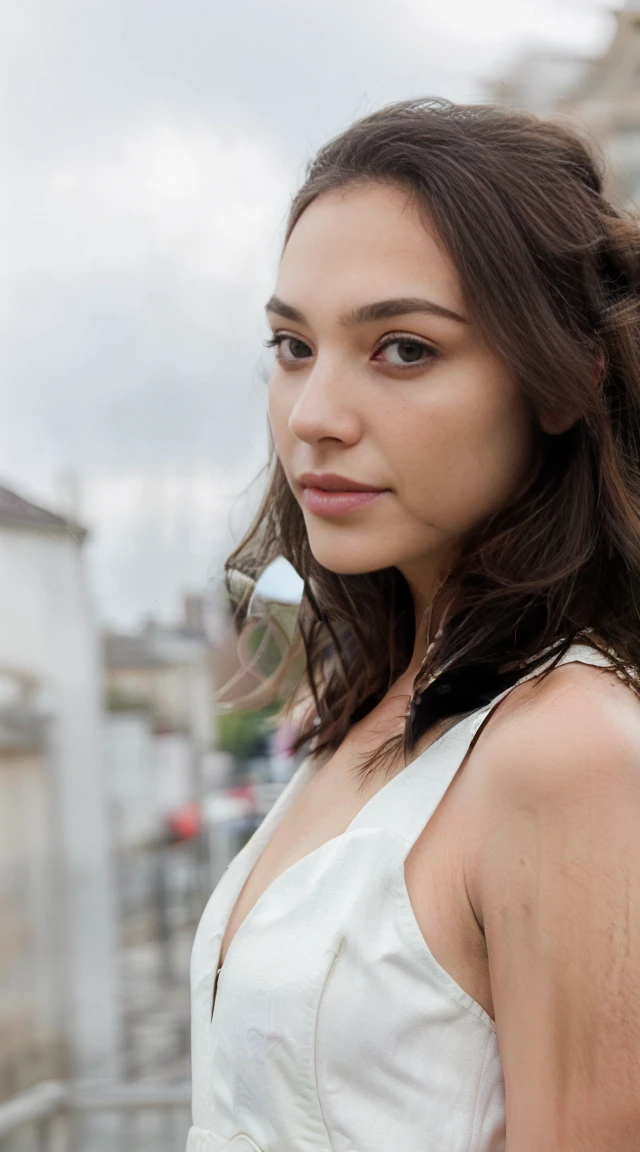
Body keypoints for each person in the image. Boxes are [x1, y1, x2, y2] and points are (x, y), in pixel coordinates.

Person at [187, 99, 640, 1151]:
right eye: (292, 345)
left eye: (400, 348)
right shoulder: (371, 709)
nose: (314, 414)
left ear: (562, 382)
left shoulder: (567, 750)